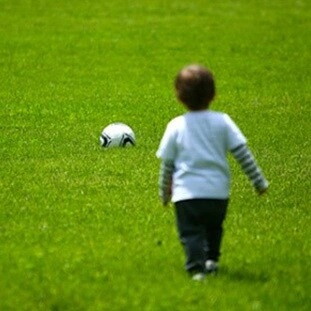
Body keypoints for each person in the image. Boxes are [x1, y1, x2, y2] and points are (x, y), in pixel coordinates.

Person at [156, 64, 269, 281]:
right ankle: (212, 260)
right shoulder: (223, 121)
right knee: (214, 228)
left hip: (187, 195)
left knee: (191, 233)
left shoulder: (176, 126)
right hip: (218, 193)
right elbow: (243, 155)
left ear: (178, 97)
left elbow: (167, 165)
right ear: (213, 95)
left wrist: (164, 192)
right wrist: (259, 181)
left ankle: (197, 269)